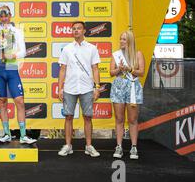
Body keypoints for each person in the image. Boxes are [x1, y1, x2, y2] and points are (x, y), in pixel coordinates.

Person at [0, 5, 37, 145]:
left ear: (10, 15)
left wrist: (12, 55)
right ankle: (7, 134)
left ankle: (23, 135)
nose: (4, 18)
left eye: (6, 15)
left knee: (19, 101)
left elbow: (24, 51)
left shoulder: (16, 31)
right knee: (2, 102)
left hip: (11, 66)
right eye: (1, 15)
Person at [57, 21, 101, 157]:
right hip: (69, 88)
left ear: (84, 31)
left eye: (79, 28)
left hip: (87, 88)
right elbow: (62, 70)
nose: (76, 31)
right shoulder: (67, 49)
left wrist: (97, 87)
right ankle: (68, 146)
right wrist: (60, 89)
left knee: (87, 117)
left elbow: (95, 69)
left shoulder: (92, 48)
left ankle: (88, 146)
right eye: (74, 29)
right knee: (68, 117)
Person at [110, 30, 145, 160]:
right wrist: (119, 69)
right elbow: (111, 72)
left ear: (130, 40)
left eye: (124, 39)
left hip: (133, 87)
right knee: (119, 119)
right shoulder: (116, 55)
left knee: (132, 119)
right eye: (120, 39)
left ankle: (134, 147)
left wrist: (129, 69)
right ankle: (119, 146)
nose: (121, 41)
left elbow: (141, 72)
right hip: (119, 87)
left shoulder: (138, 54)